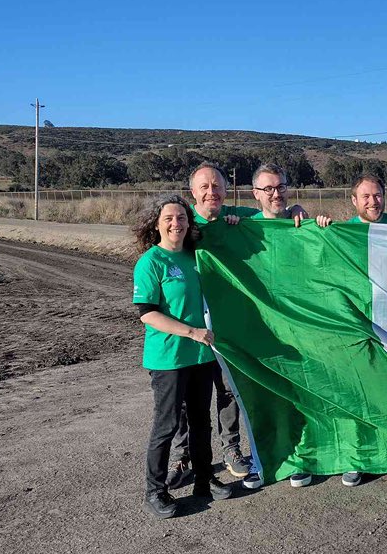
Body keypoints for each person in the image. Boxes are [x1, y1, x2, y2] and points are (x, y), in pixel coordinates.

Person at [133, 194, 236, 519]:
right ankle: (155, 490)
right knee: (166, 426)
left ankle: (204, 481)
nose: (176, 223)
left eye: (181, 218)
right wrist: (192, 333)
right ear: (157, 223)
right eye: (169, 218)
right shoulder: (151, 262)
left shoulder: (195, 258)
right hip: (169, 359)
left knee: (201, 422)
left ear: (189, 223)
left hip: (201, 356)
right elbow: (147, 313)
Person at [164, 162, 262, 491]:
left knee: (227, 389)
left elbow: (272, 215)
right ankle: (183, 457)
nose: (212, 192)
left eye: (217, 186)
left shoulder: (235, 217)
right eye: (204, 187)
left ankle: (232, 448)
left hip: (225, 324)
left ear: (226, 190)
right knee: (181, 396)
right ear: (193, 194)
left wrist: (296, 209)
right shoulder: (181, 223)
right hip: (185, 325)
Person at [247, 163, 330, 490]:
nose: (275, 193)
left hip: (299, 328)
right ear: (256, 194)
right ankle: (263, 459)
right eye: (268, 188)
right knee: (264, 396)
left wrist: (321, 226)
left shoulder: (301, 223)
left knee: (302, 394)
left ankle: (302, 458)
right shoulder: (244, 228)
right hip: (262, 330)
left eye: (280, 187)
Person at [342, 174, 387, 489]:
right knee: (360, 391)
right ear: (354, 201)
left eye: (378, 195)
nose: (373, 202)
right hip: (357, 323)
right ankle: (360, 458)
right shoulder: (341, 232)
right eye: (366, 196)